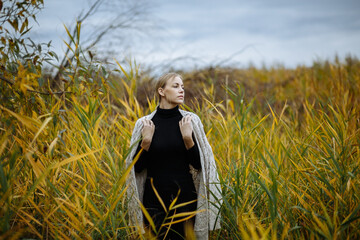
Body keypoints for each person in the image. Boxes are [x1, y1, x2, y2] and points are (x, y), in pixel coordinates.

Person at [126, 73, 221, 240]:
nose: (181, 90)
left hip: (185, 199)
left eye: (182, 87)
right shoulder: (144, 124)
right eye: (176, 86)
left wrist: (188, 139)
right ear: (161, 91)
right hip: (153, 203)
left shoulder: (191, 121)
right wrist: (146, 142)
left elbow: (200, 166)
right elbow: (136, 168)